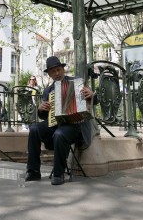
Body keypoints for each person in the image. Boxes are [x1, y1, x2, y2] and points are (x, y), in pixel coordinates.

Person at [25, 56, 97, 186]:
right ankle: (33, 171)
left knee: (60, 134)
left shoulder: (77, 82)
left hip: (76, 125)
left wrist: (92, 95)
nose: (57, 73)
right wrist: (41, 109)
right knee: (34, 129)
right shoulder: (48, 90)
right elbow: (45, 116)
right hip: (56, 124)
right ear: (49, 74)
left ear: (63, 70)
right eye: (53, 72)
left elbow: (93, 102)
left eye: (58, 70)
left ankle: (59, 174)